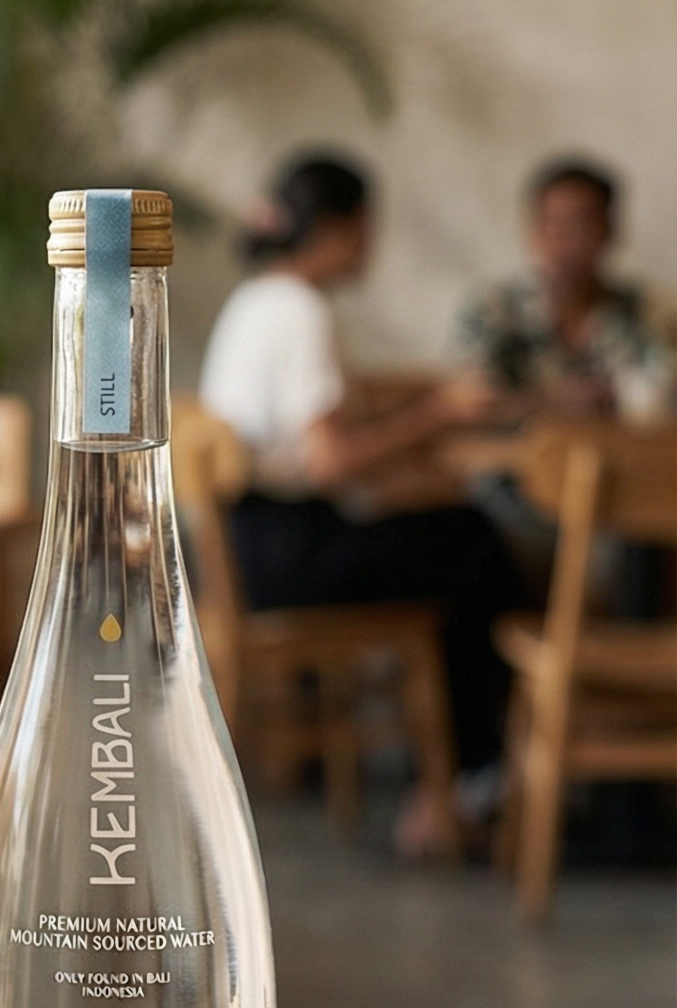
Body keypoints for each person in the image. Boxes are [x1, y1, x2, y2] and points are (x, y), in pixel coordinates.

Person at [199, 153, 526, 846]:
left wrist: (427, 401)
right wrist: (438, 416)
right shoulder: (301, 311)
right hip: (291, 558)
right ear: (342, 228)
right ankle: (468, 785)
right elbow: (329, 461)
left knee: (453, 541)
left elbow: (329, 412)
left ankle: (458, 781)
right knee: (473, 549)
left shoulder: (258, 300)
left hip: (245, 553)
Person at [456, 159, 674, 420]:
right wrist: (552, 401)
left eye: (580, 224)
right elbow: (467, 402)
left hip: (628, 455)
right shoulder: (493, 309)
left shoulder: (651, 311)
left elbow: (661, 399)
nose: (564, 241)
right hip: (512, 457)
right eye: (552, 223)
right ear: (533, 231)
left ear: (609, 231)